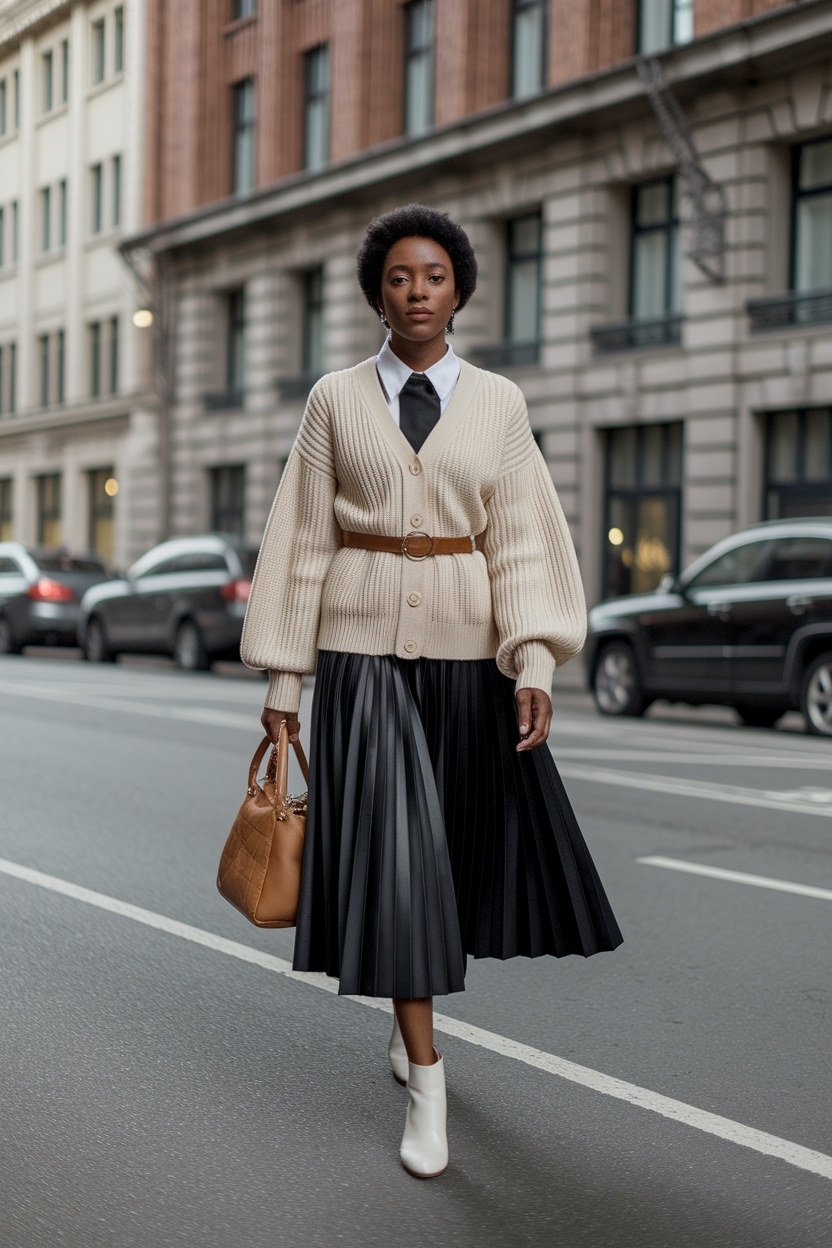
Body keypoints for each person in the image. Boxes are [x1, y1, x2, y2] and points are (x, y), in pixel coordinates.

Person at [241, 204, 622, 1179]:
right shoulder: (333, 399)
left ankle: (405, 1015)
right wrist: (286, 678)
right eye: (400, 278)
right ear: (378, 294)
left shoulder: (498, 403)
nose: (417, 292)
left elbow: (523, 539)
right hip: (361, 658)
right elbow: (301, 541)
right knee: (399, 863)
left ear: (459, 292)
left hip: (466, 659)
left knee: (447, 860)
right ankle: (428, 1076)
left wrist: (533, 660)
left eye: (435, 277)